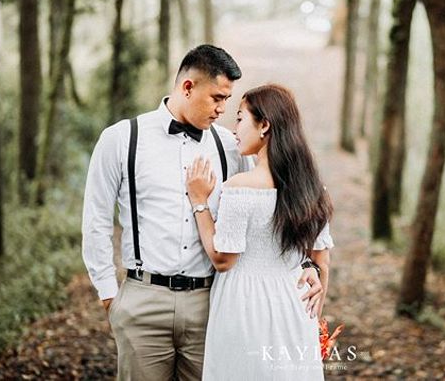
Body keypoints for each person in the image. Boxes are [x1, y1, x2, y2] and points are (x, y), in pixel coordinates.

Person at [81, 46, 324, 380]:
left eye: (228, 100)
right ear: (187, 87)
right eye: (217, 98)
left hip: (212, 303)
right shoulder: (122, 139)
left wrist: (307, 263)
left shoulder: (231, 145)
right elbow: (95, 221)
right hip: (143, 301)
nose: (223, 109)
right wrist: (110, 297)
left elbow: (276, 204)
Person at [186, 84, 334, 380]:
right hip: (294, 308)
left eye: (240, 118)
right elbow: (322, 261)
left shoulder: (241, 188)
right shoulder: (311, 189)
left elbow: (222, 259)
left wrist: (199, 202)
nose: (234, 127)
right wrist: (312, 318)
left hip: (245, 308)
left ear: (264, 125)